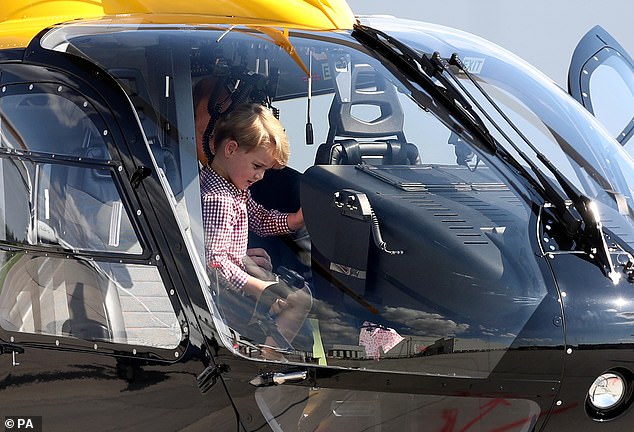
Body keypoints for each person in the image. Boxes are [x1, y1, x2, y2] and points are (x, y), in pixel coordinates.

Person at [200, 102, 311, 348]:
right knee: (300, 300)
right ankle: (269, 358)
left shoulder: (232, 189)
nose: (260, 176)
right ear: (230, 149)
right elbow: (215, 262)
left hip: (235, 283)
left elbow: (259, 219)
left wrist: (294, 220)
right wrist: (258, 287)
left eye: (265, 170)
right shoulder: (219, 199)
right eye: (257, 166)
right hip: (229, 296)